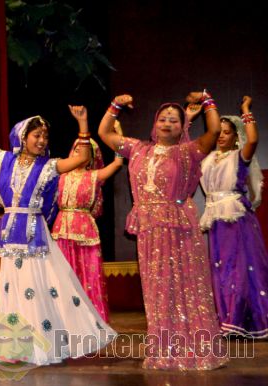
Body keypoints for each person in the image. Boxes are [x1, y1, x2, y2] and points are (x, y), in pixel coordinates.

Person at [0, 101, 116, 366]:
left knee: (39, 284)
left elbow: (81, 158)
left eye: (45, 136)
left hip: (35, 231)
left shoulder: (48, 166)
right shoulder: (5, 159)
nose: (42, 140)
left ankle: (43, 344)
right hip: (11, 231)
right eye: (37, 135)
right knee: (14, 286)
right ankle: (15, 347)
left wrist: (82, 124)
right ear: (23, 137)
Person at [97, 91, 228, 369]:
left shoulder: (188, 151)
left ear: (183, 128)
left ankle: (195, 347)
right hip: (150, 229)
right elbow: (104, 131)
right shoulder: (137, 149)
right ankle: (165, 348)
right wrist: (115, 106)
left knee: (186, 286)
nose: (167, 123)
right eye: (163, 119)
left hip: (179, 226)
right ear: (154, 123)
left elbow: (214, 130)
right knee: (157, 288)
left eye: (174, 120)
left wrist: (207, 101)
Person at [199, 96, 267, 338]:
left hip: (236, 219)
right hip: (216, 219)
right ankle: (227, 319)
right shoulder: (207, 160)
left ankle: (239, 319)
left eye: (227, 132)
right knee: (221, 269)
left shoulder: (239, 157)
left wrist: (246, 110)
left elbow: (254, 139)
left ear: (235, 135)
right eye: (220, 132)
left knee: (237, 269)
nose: (221, 136)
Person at [51, 106, 124, 322]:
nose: (77, 152)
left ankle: (91, 320)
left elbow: (119, 162)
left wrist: (118, 133)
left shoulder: (95, 176)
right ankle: (64, 318)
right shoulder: (60, 175)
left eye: (82, 149)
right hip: (61, 230)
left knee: (88, 274)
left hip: (85, 231)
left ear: (91, 155)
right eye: (75, 148)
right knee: (64, 274)